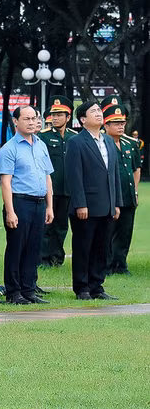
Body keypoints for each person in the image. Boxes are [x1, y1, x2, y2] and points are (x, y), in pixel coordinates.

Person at [64, 101, 122, 300]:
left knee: (101, 248)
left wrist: (116, 203)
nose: (99, 114)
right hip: (86, 206)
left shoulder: (108, 141)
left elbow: (114, 175)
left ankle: (97, 286)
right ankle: (82, 288)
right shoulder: (76, 142)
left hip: (107, 205)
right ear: (83, 119)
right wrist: (80, 203)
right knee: (83, 247)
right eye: (94, 111)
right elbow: (74, 175)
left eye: (99, 110)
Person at [0, 106, 54, 305]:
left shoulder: (40, 145)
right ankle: (14, 292)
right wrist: (10, 211)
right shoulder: (9, 149)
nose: (31, 122)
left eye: (34, 118)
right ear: (16, 121)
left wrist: (50, 206)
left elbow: (47, 177)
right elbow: (6, 182)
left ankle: (29, 289)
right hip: (20, 202)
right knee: (16, 248)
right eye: (26, 118)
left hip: (39, 202)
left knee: (33, 248)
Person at [100, 97, 141, 276]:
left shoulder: (131, 144)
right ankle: (106, 265)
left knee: (125, 232)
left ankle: (120, 264)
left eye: (122, 122)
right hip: (110, 196)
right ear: (106, 125)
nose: (120, 126)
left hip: (128, 195)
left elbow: (135, 169)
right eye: (115, 123)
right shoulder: (101, 144)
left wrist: (136, 191)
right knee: (107, 232)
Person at [38, 95, 77, 267]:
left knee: (62, 225)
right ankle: (43, 259)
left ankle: (57, 257)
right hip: (49, 189)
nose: (55, 118)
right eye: (53, 114)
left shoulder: (74, 137)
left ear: (68, 117)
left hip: (68, 189)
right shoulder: (43, 137)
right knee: (46, 225)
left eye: (60, 114)